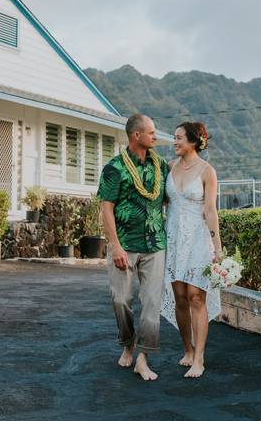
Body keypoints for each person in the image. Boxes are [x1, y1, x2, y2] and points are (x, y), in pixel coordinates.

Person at [98, 113, 169, 381]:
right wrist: (115, 246)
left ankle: (142, 357)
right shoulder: (114, 168)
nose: (155, 136)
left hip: (155, 244)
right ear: (136, 135)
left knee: (152, 303)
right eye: (151, 132)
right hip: (125, 244)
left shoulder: (161, 166)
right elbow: (106, 208)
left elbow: (175, 195)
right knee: (121, 300)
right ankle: (127, 343)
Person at [160, 121, 221, 378]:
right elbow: (161, 201)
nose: (174, 142)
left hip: (197, 239)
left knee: (197, 295)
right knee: (180, 297)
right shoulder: (169, 167)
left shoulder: (207, 171)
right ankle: (187, 349)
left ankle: (199, 358)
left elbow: (210, 210)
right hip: (173, 238)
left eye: (179, 138)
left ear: (194, 141)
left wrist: (217, 247)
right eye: (174, 138)